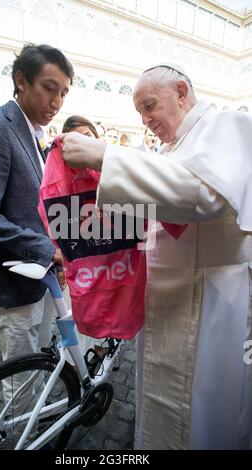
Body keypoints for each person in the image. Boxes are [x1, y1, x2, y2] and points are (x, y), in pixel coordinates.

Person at [60, 63, 252, 450]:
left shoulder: (228, 126)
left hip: (211, 300)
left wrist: (106, 157)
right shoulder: (171, 146)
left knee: (205, 413)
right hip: (166, 296)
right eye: (140, 113)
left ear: (181, 91)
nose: (146, 120)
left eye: (150, 106)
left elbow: (202, 196)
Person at [0, 44, 74, 396]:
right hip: (10, 282)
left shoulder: (35, 136)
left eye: (64, 93)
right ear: (20, 81)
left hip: (38, 279)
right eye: (49, 87)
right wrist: (44, 248)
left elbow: (33, 208)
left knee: (36, 366)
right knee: (22, 385)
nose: (56, 102)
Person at [61, 115, 107, 361]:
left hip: (107, 253)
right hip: (79, 255)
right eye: (76, 138)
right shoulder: (64, 177)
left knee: (104, 306)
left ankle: (100, 353)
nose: (84, 143)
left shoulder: (110, 169)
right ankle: (75, 364)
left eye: (87, 136)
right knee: (79, 309)